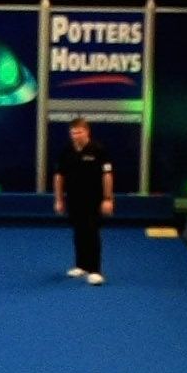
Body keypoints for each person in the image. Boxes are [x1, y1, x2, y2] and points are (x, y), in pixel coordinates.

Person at [53, 118, 116, 286]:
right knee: (79, 232)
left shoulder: (98, 150)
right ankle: (81, 265)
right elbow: (59, 176)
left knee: (92, 232)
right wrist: (59, 199)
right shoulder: (66, 151)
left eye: (79, 132)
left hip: (94, 199)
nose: (76, 136)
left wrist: (108, 199)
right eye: (73, 133)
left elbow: (107, 175)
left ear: (87, 132)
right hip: (74, 199)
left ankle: (95, 270)